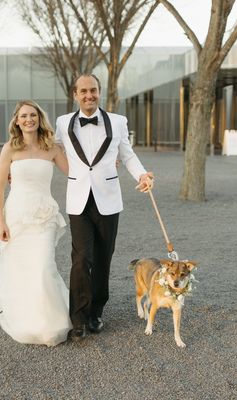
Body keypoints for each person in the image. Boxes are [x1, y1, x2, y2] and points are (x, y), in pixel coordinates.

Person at [55, 74, 154, 341]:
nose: (89, 95)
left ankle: (96, 311)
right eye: (84, 91)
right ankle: (78, 318)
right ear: (75, 94)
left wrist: (142, 175)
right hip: (78, 200)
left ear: (100, 92)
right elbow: (49, 150)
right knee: (81, 258)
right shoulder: (63, 123)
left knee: (103, 258)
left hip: (108, 200)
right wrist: (16, 169)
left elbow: (127, 154)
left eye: (94, 90)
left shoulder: (118, 121)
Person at [0, 100, 71, 346]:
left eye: (33, 115)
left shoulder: (52, 148)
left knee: (43, 265)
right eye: (24, 116)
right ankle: (28, 318)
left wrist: (104, 165)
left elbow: (76, 173)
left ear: (40, 119)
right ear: (17, 121)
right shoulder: (10, 149)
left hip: (44, 216)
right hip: (17, 216)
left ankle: (52, 321)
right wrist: (0, 222)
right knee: (22, 268)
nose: (29, 119)